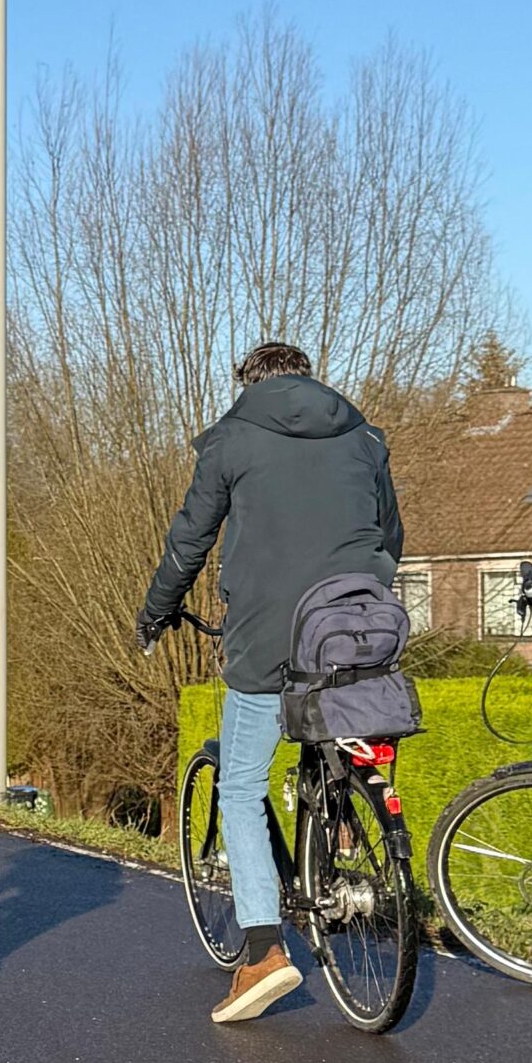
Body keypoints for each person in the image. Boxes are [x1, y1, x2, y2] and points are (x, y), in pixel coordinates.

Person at [136, 341, 402, 1024]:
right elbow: (390, 537)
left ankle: (262, 952)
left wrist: (158, 610)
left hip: (267, 637)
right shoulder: (364, 436)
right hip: (356, 622)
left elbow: (189, 540)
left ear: (248, 383)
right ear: (308, 376)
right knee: (346, 719)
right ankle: (343, 829)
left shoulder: (233, 438)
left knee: (243, 785)